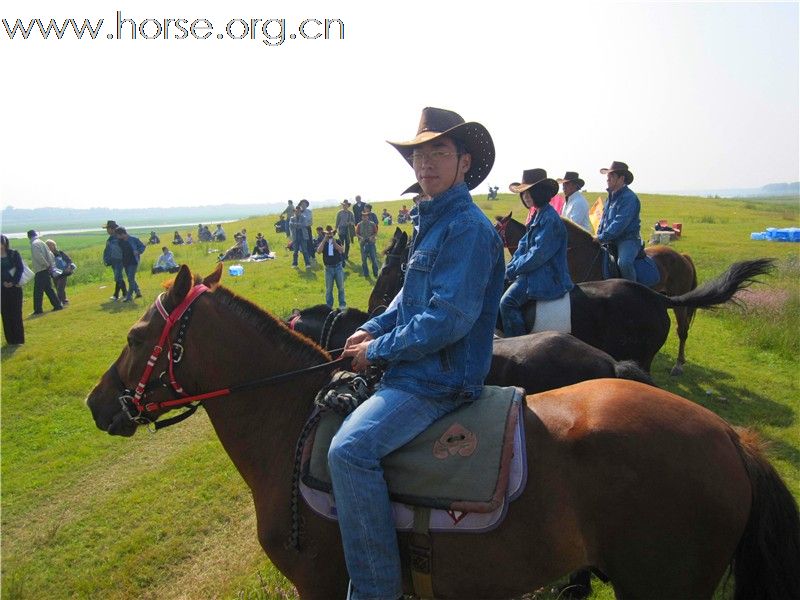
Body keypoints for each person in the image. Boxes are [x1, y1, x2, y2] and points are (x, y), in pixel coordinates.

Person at [329, 107, 505, 600]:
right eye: (419, 154)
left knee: (349, 451)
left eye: (439, 152)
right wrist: (368, 329)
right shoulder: (433, 221)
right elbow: (408, 302)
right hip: (416, 370)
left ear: (464, 162)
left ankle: (375, 591)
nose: (425, 163)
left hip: (438, 382)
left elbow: (447, 319)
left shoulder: (467, 228)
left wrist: (380, 350)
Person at [499, 169, 574, 337]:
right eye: (523, 192)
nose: (525, 196)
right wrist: (507, 268)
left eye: (528, 191)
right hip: (534, 273)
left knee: (507, 303)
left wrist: (513, 270)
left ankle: (517, 345)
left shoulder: (550, 219)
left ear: (539, 192)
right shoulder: (537, 216)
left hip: (546, 276)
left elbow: (537, 255)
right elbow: (522, 247)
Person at [596, 161, 642, 282]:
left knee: (624, 263)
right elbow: (603, 221)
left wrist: (601, 237)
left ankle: (634, 293)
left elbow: (619, 223)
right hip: (609, 239)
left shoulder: (629, 198)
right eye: (607, 176)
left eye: (611, 176)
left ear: (621, 179)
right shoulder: (610, 197)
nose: (608, 179)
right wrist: (598, 235)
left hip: (627, 240)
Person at [28, 229, 62, 314]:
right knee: (48, 289)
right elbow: (50, 254)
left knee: (37, 291)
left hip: (41, 270)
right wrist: (50, 265)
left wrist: (46, 265)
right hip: (46, 269)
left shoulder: (34, 244)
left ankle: (38, 310)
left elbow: (39, 257)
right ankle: (57, 305)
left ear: (29, 237)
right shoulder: (42, 242)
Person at [1, 235, 26, 344]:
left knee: (16, 313)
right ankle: (10, 340)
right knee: (5, 313)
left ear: (5, 243)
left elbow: (20, 268)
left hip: (15, 287)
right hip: (2, 289)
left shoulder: (13, 253)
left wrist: (13, 282)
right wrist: (3, 283)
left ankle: (19, 339)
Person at [317, 225, 347, 309]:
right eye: (327, 234)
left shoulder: (337, 240)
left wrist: (333, 242)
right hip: (328, 268)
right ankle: (329, 306)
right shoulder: (322, 242)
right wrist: (324, 240)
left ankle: (342, 305)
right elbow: (318, 251)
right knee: (329, 289)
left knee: (340, 287)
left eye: (331, 234)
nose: (329, 235)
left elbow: (341, 250)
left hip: (338, 267)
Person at [115, 227, 145, 302]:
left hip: (133, 262)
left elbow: (142, 246)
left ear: (122, 234)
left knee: (130, 279)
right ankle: (138, 292)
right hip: (125, 263)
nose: (117, 237)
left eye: (118, 235)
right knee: (131, 279)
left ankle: (129, 296)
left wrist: (138, 252)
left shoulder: (134, 239)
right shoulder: (119, 241)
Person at [103, 220, 127, 301]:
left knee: (118, 277)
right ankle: (123, 294)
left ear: (112, 229)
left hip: (119, 260)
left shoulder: (118, 238)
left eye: (107, 229)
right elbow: (107, 251)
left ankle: (117, 295)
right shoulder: (110, 239)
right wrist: (107, 260)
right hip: (113, 261)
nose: (107, 231)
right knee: (118, 277)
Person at [45, 239, 73, 305]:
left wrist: (68, 267)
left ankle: (60, 302)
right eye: (48, 245)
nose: (49, 247)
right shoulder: (47, 255)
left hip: (63, 273)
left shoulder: (60, 253)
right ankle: (64, 301)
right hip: (54, 274)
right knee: (58, 288)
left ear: (54, 246)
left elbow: (68, 260)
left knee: (60, 288)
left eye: (51, 245)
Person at [355, 207, 379, 278]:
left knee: (373, 259)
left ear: (368, 217)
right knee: (364, 260)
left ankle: (376, 273)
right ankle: (366, 274)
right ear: (362, 217)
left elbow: (375, 232)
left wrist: (372, 237)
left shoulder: (372, 224)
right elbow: (356, 233)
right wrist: (361, 238)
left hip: (371, 243)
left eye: (366, 216)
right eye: (363, 216)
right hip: (363, 244)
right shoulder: (359, 225)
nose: (364, 217)